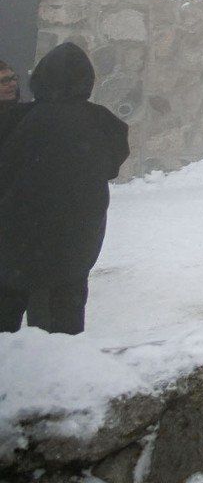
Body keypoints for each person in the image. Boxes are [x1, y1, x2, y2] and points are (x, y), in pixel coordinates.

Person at [0, 43, 130, 334]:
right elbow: (112, 165)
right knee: (61, 333)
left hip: (15, 244)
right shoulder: (103, 122)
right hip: (74, 244)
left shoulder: (18, 119)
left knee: (6, 327)